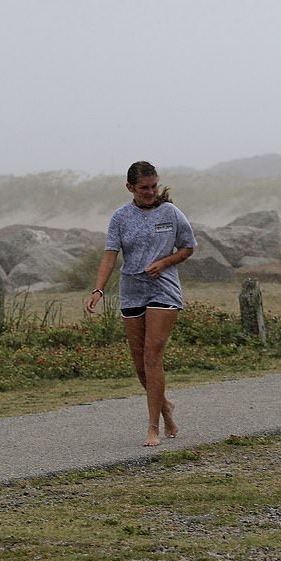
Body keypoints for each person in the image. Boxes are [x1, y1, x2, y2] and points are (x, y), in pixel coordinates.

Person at [86, 161, 196, 445]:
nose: (150, 192)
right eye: (144, 188)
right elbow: (110, 256)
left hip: (163, 290)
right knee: (139, 366)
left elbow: (187, 247)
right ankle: (166, 407)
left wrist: (164, 262)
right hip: (132, 291)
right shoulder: (120, 217)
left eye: (154, 186)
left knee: (152, 356)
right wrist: (98, 290)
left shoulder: (170, 213)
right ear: (130, 188)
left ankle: (153, 429)